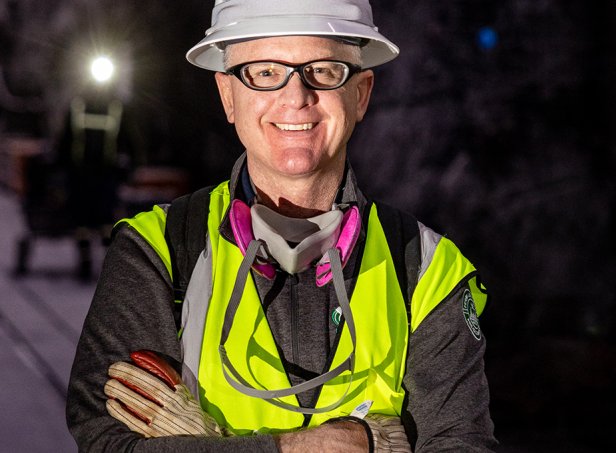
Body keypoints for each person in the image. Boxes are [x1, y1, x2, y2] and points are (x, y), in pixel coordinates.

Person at [66, 0, 497, 451]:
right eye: (265, 72)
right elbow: (108, 443)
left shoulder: (429, 272)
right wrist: (309, 447)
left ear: (362, 93)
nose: (296, 98)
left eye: (325, 71)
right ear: (228, 96)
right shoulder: (157, 252)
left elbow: (460, 443)